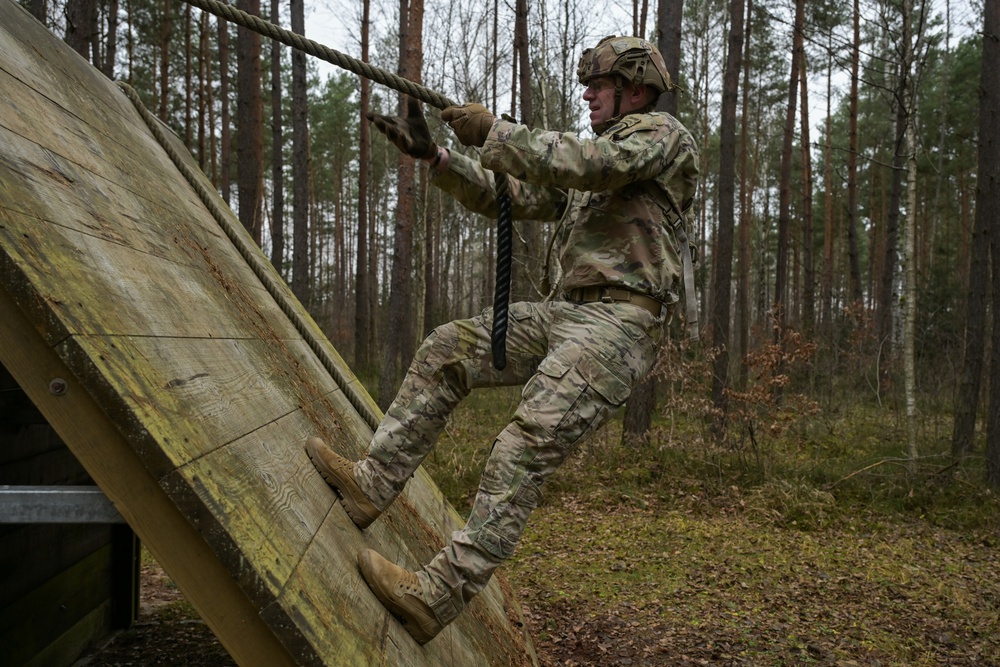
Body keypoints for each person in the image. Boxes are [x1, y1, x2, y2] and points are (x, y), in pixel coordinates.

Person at [305, 35, 699, 645]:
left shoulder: (661, 138)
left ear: (637, 89)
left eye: (598, 85)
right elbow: (513, 194)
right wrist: (436, 156)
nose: (588, 94)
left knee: (522, 446)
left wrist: (497, 130)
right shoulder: (595, 154)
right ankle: (372, 483)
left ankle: (434, 596)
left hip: (619, 325)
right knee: (447, 348)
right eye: (587, 86)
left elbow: (586, 163)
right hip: (564, 313)